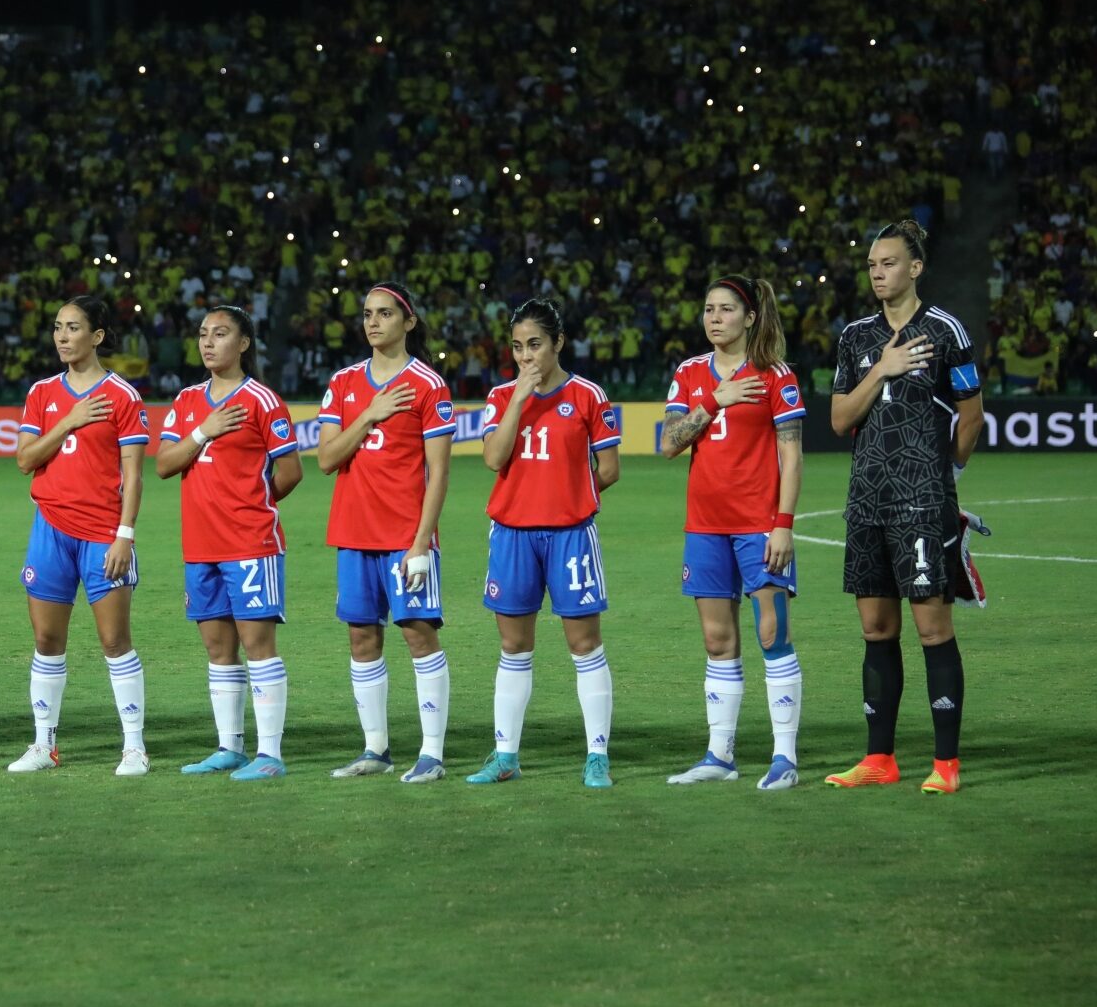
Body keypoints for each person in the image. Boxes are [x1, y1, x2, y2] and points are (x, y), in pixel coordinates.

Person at [825, 220, 983, 794]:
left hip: (922, 501)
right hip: (867, 498)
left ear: (915, 268)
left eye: (888, 263)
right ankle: (879, 759)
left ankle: (945, 765)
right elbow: (841, 419)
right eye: (871, 265)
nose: (877, 273)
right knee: (876, 628)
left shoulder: (945, 331)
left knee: (931, 628)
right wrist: (882, 369)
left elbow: (971, 416)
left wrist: (948, 478)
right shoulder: (856, 337)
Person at [468, 298, 622, 788]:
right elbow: (494, 458)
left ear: (558, 342)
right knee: (514, 647)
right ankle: (505, 755)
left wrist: (569, 495)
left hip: (571, 534)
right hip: (512, 533)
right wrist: (517, 398)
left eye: (535, 344)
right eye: (517, 347)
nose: (526, 356)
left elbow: (610, 469)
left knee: (584, 644)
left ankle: (597, 756)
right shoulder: (499, 397)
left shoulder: (589, 396)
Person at [660, 276, 806, 791]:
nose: (714, 318)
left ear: (749, 317)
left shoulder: (775, 375)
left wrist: (783, 525)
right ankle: (719, 755)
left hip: (759, 526)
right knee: (717, 640)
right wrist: (715, 400)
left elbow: (791, 455)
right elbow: (668, 444)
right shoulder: (690, 373)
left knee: (772, 634)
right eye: (708, 309)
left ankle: (784, 757)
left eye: (725, 309)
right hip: (705, 527)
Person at [157, 306, 304, 781]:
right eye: (203, 334)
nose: (208, 342)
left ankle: (270, 754)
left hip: (250, 543)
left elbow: (290, 471)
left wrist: (253, 504)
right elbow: (163, 464)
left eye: (220, 334)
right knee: (218, 649)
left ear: (243, 344)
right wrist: (204, 431)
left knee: (258, 645)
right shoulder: (185, 402)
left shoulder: (263, 400)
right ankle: (229, 747)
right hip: (200, 545)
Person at [317, 282, 456, 783]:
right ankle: (375, 749)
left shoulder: (428, 385)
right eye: (367, 314)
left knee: (419, 636)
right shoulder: (345, 383)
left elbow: (439, 472)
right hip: (354, 532)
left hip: (404, 536)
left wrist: (422, 541)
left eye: (384, 314)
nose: (372, 323)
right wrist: (370, 414)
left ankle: (433, 753)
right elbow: (327, 459)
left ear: (409, 322)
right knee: (361, 639)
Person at [8, 295, 152, 776]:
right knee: (47, 639)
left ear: (98, 336)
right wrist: (68, 421)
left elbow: (133, 474)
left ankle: (134, 747)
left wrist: (125, 536)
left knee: (115, 640)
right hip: (50, 528)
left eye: (73, 327)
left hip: (104, 534)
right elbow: (26, 459)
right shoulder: (43, 393)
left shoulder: (122, 396)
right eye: (57, 327)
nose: (62, 336)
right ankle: (44, 745)